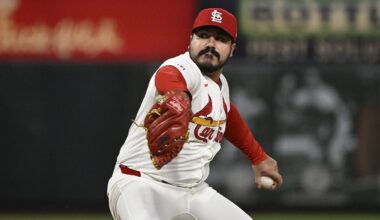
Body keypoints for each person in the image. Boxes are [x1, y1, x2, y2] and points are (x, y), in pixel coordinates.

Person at [107, 8, 283, 220]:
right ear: (190, 40)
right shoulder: (181, 68)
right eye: (203, 36)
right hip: (140, 183)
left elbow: (228, 115)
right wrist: (178, 98)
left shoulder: (220, 86)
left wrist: (258, 157)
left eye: (220, 39)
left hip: (193, 191)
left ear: (232, 49)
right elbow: (168, 77)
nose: (210, 44)